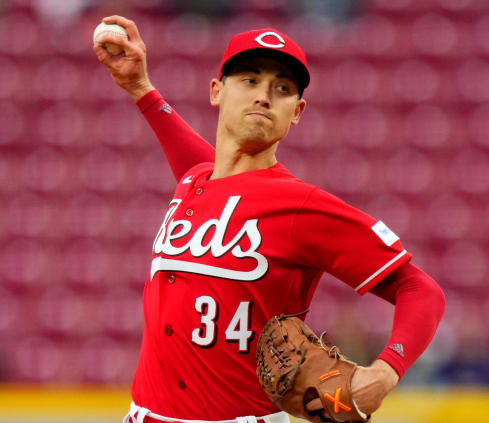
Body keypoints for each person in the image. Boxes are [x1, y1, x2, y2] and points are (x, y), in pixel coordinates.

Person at [93, 15, 446, 423]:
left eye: (281, 89)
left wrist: (385, 371)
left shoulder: (301, 206)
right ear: (216, 91)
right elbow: (208, 167)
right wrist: (142, 89)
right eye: (249, 80)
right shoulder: (197, 179)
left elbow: (421, 290)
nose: (263, 96)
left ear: (296, 112)